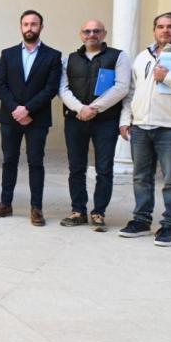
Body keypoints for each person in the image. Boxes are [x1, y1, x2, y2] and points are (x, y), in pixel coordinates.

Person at [118, 12, 171, 247]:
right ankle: (141, 220)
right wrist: (126, 120)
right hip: (141, 127)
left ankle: (169, 225)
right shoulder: (142, 57)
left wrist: (170, 76)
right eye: (160, 27)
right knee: (141, 178)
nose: (165, 31)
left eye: (170, 27)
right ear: (154, 29)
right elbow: (132, 92)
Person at [58, 19, 129, 231]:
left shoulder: (119, 56)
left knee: (104, 169)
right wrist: (81, 109)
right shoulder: (68, 59)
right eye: (87, 31)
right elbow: (63, 89)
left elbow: (122, 87)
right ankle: (78, 210)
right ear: (81, 35)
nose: (92, 34)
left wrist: (94, 108)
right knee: (76, 168)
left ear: (104, 34)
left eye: (96, 31)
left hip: (106, 122)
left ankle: (99, 212)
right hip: (75, 120)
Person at [0, 10, 61, 226]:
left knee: (35, 162)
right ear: (20, 27)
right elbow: (0, 84)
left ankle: (36, 208)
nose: (29, 28)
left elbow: (51, 88)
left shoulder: (53, 55)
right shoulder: (8, 53)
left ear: (41, 26)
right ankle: (5, 204)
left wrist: (28, 110)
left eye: (34, 24)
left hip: (37, 120)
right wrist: (16, 109)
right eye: (26, 24)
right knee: (9, 161)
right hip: (10, 117)